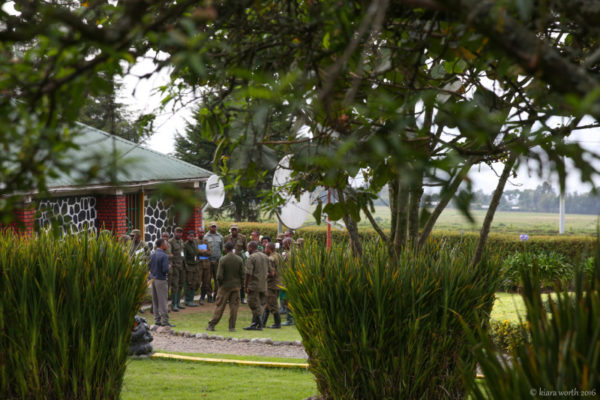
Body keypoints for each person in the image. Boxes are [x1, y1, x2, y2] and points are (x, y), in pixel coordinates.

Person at [206, 242, 244, 332]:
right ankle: (232, 327)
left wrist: (220, 285)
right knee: (234, 308)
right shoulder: (239, 259)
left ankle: (212, 325)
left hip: (225, 287)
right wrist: (241, 284)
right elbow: (243, 274)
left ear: (226, 249)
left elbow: (219, 276)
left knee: (219, 306)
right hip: (236, 286)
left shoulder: (223, 259)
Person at [242, 241, 269, 330]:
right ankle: (254, 324)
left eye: (248, 247)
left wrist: (246, 286)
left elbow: (248, 273)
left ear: (250, 247)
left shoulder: (251, 257)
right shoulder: (265, 256)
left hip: (254, 285)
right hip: (264, 284)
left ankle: (260, 325)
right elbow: (270, 271)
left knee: (252, 303)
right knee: (261, 304)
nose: (247, 249)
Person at [149, 238, 174, 327]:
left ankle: (157, 320)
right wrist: (169, 266)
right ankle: (165, 321)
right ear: (162, 245)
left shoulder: (152, 254)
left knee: (155, 301)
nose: (167, 245)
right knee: (163, 301)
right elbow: (165, 269)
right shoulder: (164, 256)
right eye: (165, 243)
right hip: (161, 280)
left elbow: (149, 267)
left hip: (153, 279)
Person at [225, 223, 248, 303]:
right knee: (229, 279)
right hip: (229, 262)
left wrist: (245, 260)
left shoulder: (243, 238)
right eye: (232, 229)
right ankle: (228, 297)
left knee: (241, 279)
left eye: (235, 229)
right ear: (231, 230)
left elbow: (246, 250)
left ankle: (242, 297)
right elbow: (225, 249)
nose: (234, 231)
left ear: (237, 230)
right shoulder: (227, 238)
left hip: (239, 262)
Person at [263, 242, 283, 328]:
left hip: (272, 284)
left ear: (270, 249)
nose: (264, 250)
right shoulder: (278, 255)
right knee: (268, 304)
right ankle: (262, 323)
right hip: (278, 283)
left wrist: (263, 275)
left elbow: (272, 273)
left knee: (273, 303)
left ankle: (277, 323)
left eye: (266, 248)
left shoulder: (271, 259)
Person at [168, 227, 186, 311]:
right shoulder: (171, 242)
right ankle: (173, 304)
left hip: (182, 265)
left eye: (180, 232)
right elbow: (169, 254)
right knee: (175, 285)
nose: (179, 234)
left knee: (181, 283)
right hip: (175, 266)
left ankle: (178, 302)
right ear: (174, 232)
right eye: (177, 232)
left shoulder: (182, 241)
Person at [205, 221, 224, 303]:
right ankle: (209, 295)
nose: (213, 228)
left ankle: (216, 295)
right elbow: (204, 249)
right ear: (209, 227)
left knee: (218, 279)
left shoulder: (220, 237)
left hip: (217, 261)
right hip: (209, 260)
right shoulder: (205, 237)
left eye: (214, 226)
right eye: (212, 226)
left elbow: (222, 248)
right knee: (208, 279)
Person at [183, 230, 200, 307]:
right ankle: (187, 300)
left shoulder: (195, 243)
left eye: (193, 236)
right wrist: (186, 267)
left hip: (195, 266)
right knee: (188, 283)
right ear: (187, 236)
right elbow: (184, 257)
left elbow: (197, 253)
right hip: (189, 267)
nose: (191, 237)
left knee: (194, 282)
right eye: (190, 236)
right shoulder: (185, 245)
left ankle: (192, 300)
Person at [280, 237, 294, 326]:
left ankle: (290, 320)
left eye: (284, 244)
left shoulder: (289, 255)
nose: (282, 245)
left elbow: (288, 268)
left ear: (288, 244)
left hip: (288, 281)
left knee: (287, 300)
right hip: (288, 280)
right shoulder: (291, 253)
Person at [196, 228, 212, 305]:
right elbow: (195, 251)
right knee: (198, 281)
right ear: (197, 233)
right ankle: (190, 297)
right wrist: (203, 251)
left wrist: (202, 251)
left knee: (206, 282)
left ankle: (202, 298)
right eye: (200, 232)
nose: (201, 234)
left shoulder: (206, 241)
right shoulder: (195, 241)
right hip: (198, 264)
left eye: (203, 232)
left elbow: (210, 252)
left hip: (206, 264)